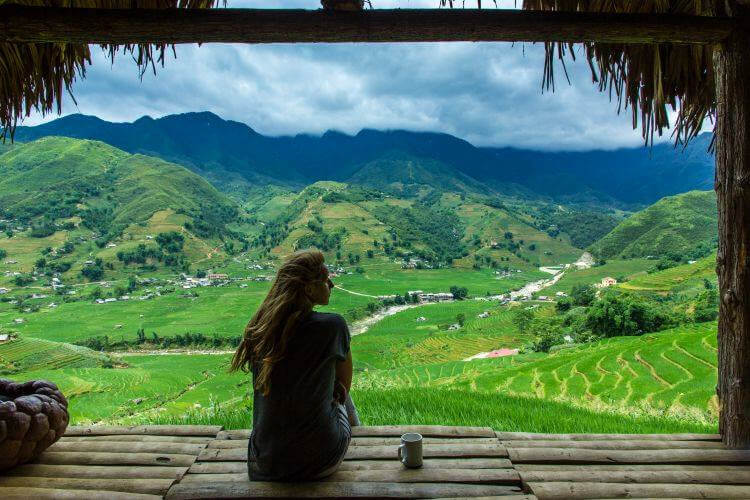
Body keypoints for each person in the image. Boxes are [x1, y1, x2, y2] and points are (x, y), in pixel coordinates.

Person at [230, 249, 360, 481]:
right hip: (320, 462)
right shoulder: (333, 326)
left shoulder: (262, 330)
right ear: (308, 289)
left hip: (265, 463)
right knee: (339, 390)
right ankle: (359, 437)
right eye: (326, 279)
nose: (331, 284)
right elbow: (344, 387)